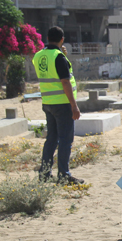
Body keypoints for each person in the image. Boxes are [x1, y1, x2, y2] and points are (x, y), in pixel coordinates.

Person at [32, 26, 84, 185]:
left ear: (47, 38)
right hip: (62, 104)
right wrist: (74, 105)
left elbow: (49, 74)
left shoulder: (38, 55)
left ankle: (45, 173)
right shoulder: (58, 57)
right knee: (65, 140)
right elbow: (65, 81)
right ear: (62, 40)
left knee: (51, 139)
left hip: (48, 103)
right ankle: (63, 174)